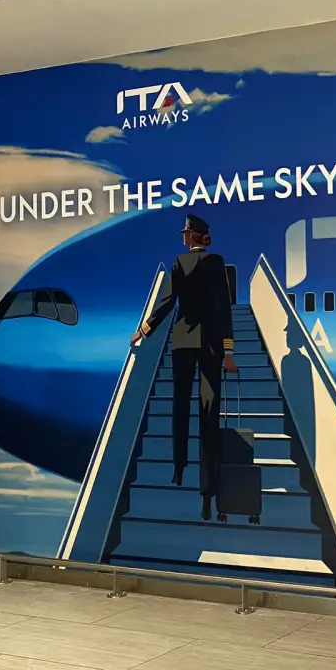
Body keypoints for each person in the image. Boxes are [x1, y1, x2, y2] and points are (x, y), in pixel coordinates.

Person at [132, 213, 237, 521]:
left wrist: (145, 329)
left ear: (192, 237)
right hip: (211, 346)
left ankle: (179, 468)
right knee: (209, 413)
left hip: (182, 343)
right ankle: (209, 489)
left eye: (185, 233)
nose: (182, 237)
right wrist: (228, 351)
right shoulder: (217, 263)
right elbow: (224, 309)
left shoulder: (178, 263)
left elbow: (166, 302)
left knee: (180, 406)